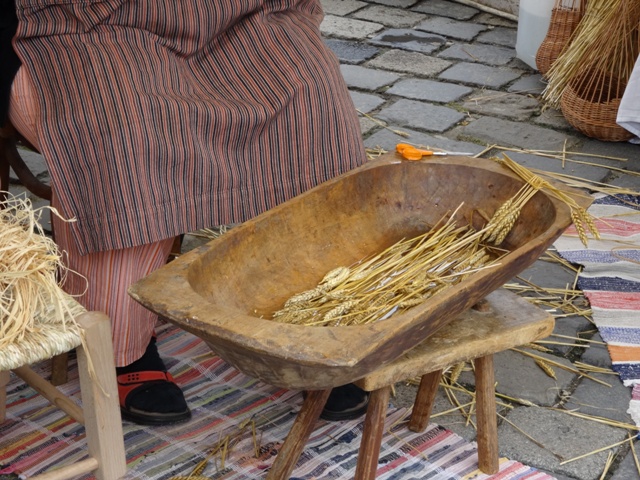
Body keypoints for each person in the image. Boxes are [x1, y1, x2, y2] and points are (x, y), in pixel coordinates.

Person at [1, 0, 369, 425]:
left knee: (312, 99)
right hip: (82, 31)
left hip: (235, 18)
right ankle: (119, 347)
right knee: (125, 130)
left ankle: (305, 320)